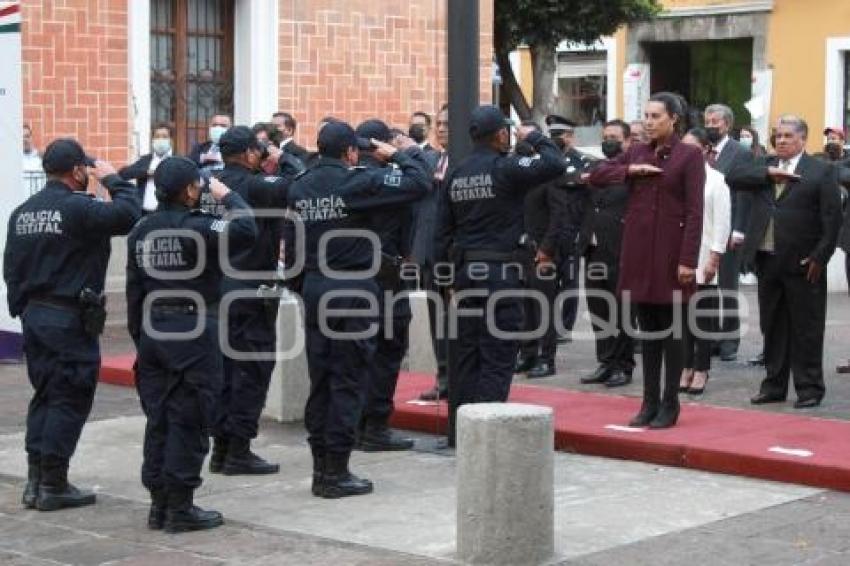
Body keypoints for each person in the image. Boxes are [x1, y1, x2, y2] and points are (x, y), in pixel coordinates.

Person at [287, 120, 429, 497]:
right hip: (351, 290)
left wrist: (305, 284)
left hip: (317, 288)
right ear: (351, 152)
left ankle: (323, 467)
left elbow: (292, 247)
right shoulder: (357, 181)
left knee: (323, 382)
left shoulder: (299, 185)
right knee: (348, 381)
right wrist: (394, 152)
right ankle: (335, 472)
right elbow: (420, 181)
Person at [3, 138, 142, 510]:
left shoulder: (23, 211)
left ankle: (36, 481)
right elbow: (129, 215)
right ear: (78, 171)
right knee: (69, 397)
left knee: (46, 395)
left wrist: (22, 309)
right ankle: (53, 483)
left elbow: (10, 267)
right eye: (86, 169)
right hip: (67, 319)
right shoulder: (79, 208)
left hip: (35, 316)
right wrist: (114, 179)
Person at [126, 157, 257, 533]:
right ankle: (180, 507)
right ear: (188, 191)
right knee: (190, 417)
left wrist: (142, 339)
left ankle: (159, 504)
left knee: (160, 419)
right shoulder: (201, 227)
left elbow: (134, 293)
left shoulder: (140, 232)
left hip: (154, 330)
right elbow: (247, 227)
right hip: (192, 329)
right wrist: (228, 194)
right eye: (197, 187)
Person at [435, 105, 564, 442]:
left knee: (465, 356)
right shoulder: (505, 168)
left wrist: (446, 280)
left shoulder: (456, 173)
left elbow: (441, 233)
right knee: (497, 353)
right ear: (499, 135)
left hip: (465, 275)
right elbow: (555, 163)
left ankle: (459, 432)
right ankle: (486, 434)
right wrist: (535, 136)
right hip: (499, 274)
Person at [589, 92, 705, 429]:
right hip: (639, 253)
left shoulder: (689, 156)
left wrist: (688, 260)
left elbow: (695, 212)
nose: (649, 122)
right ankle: (648, 401)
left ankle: (670, 402)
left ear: (674, 119)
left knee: (673, 333)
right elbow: (596, 175)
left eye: (656, 116)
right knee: (648, 333)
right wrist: (629, 170)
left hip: (671, 255)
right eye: (646, 116)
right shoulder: (636, 152)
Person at [727, 115, 842, 409]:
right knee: (773, 326)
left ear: (803, 139)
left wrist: (821, 256)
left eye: (788, 136)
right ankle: (774, 385)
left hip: (805, 262)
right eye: (777, 136)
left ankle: (810, 388)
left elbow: (832, 219)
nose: (781, 141)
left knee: (807, 327)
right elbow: (732, 175)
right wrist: (768, 175)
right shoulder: (764, 165)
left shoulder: (821, 171)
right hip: (768, 260)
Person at [209, 126, 298, 475]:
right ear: (249, 153)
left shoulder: (209, 185)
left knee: (225, 373)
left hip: (217, 289)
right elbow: (299, 185)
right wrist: (282, 157)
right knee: (252, 371)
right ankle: (238, 450)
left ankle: (221, 447)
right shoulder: (257, 185)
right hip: (251, 291)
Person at [353, 119, 422, 451]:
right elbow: (422, 182)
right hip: (387, 277)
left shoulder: (347, 177)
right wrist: (402, 155)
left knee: (357, 355)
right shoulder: (391, 178)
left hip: (351, 277)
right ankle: (375, 427)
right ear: (382, 145)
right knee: (387, 352)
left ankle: (356, 424)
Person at [578, 119, 636, 388]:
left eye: (614, 137)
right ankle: (605, 361)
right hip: (593, 249)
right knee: (599, 309)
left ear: (626, 141)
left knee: (622, 311)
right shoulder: (594, 167)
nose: (608, 141)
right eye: (605, 136)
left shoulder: (633, 171)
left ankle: (623, 366)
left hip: (621, 249)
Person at [679, 128, 732, 396]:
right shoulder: (677, 178)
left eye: (692, 148)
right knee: (683, 318)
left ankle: (701, 368)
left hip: (704, 256)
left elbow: (721, 224)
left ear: (706, 150)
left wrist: (714, 257)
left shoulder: (716, 181)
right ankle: (685, 366)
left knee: (703, 318)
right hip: (679, 256)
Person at [514, 120, 568, 379]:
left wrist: (547, 249)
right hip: (520, 251)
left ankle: (547, 359)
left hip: (542, 251)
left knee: (543, 307)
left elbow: (558, 216)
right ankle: (527, 354)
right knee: (525, 306)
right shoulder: (518, 176)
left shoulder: (549, 176)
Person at [703, 103, 754, 362]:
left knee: (727, 286)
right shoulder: (702, 151)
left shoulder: (739, 152)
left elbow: (745, 194)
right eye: (708, 121)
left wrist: (740, 230)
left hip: (731, 227)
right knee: (708, 285)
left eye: (716, 122)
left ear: (728, 125)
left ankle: (730, 339)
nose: (711, 125)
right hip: (706, 229)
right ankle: (710, 337)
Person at [543, 114, 593, 343]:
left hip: (572, 230)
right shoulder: (543, 161)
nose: (554, 140)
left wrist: (582, 235)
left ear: (570, 137)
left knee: (570, 282)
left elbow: (586, 192)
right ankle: (549, 326)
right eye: (551, 135)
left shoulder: (584, 161)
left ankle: (566, 326)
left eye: (559, 135)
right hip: (548, 233)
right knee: (547, 282)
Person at [416, 103, 451, 401]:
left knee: (456, 323)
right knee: (436, 321)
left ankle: (457, 379)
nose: (440, 129)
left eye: (447, 125)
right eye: (438, 124)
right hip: (429, 254)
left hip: (453, 258)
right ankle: (443, 376)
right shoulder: (432, 159)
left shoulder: (464, 163)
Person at [119, 124, 174, 213]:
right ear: (152, 140)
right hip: (144, 212)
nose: (160, 140)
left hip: (166, 213)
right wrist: (147, 172)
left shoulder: (176, 160)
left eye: (164, 137)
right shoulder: (145, 160)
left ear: (171, 140)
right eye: (157, 137)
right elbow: (123, 174)